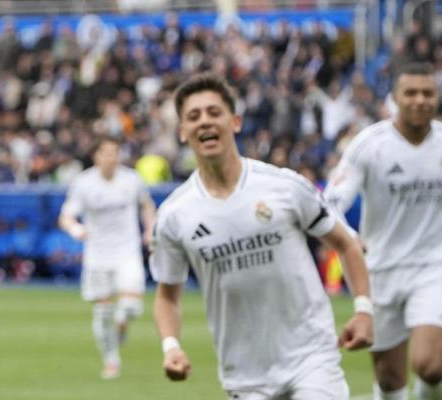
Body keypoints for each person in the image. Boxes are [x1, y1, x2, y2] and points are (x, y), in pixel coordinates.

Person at [150, 73, 373, 399]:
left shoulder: (284, 186)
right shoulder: (174, 215)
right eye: (194, 116)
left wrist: (364, 309)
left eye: (214, 112)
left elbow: (345, 243)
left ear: (235, 122)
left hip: (311, 357)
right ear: (182, 132)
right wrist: (171, 347)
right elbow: (167, 296)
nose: (205, 122)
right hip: (244, 374)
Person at [323, 61, 442, 400]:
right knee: (390, 381)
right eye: (411, 93)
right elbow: (330, 202)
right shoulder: (368, 145)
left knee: (431, 364)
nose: (419, 100)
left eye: (427, 93)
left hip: (434, 268)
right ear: (394, 98)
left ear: (436, 97)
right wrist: (347, 236)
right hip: (380, 269)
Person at [58, 134, 156, 379]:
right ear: (97, 156)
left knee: (131, 308)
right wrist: (76, 229)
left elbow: (146, 205)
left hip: (127, 252)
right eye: (107, 153)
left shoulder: (132, 180)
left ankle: (122, 324)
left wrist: (150, 229)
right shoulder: (84, 182)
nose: (112, 158)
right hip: (98, 255)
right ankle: (111, 360)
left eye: (116, 152)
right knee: (102, 313)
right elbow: (66, 215)